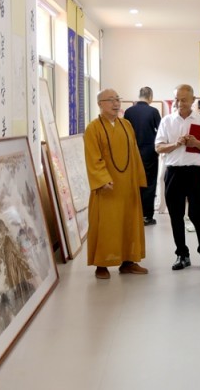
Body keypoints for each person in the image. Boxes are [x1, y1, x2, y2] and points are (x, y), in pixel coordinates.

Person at [84, 89, 149, 279]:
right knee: (106, 225)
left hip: (127, 185)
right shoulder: (93, 128)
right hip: (107, 188)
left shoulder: (126, 125)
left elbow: (134, 152)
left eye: (117, 99)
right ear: (100, 104)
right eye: (110, 100)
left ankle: (128, 262)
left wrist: (138, 177)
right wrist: (102, 179)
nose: (115, 104)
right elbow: (93, 158)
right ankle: (101, 264)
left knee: (129, 223)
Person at [155, 84, 200, 271]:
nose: (179, 103)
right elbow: (158, 148)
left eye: (183, 99)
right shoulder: (167, 121)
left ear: (192, 100)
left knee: (198, 214)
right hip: (173, 172)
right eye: (176, 99)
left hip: (194, 173)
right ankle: (182, 254)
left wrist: (196, 142)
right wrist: (176, 143)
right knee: (176, 215)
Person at [124, 86, 162, 225]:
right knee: (150, 183)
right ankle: (147, 216)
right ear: (150, 97)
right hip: (149, 152)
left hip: (132, 152)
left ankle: (135, 214)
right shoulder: (153, 111)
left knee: (133, 183)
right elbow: (161, 131)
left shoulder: (128, 112)